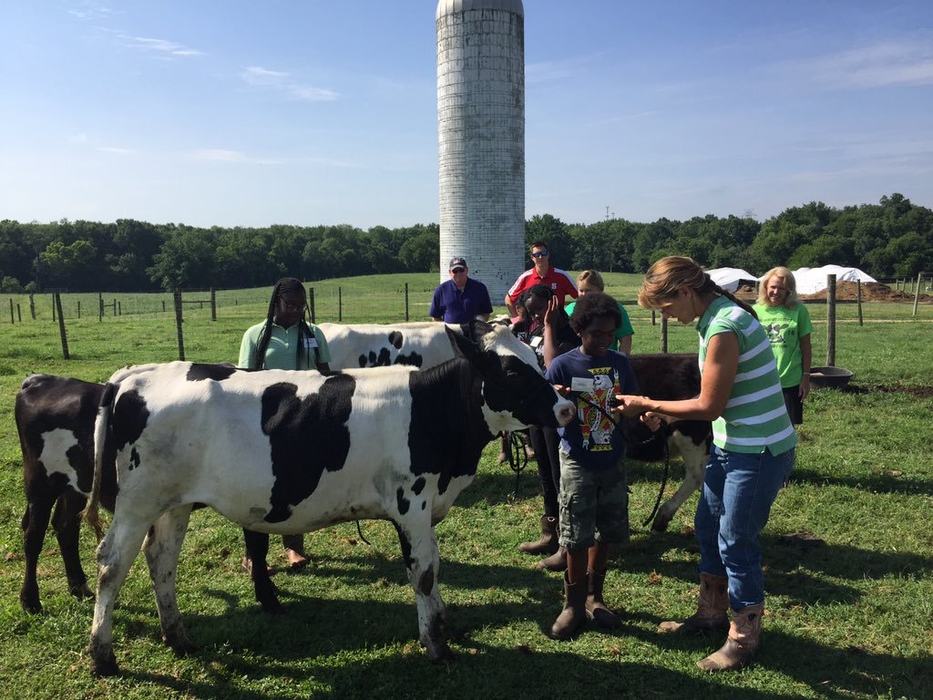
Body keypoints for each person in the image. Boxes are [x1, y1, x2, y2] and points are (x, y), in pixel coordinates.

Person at [617, 256, 796, 672]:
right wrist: (670, 414)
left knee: (736, 539)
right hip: (733, 444)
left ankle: (743, 636)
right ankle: (711, 612)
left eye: (665, 309)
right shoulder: (714, 317)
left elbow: (711, 404)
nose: (667, 318)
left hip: (759, 450)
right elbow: (722, 397)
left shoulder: (724, 326)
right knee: (708, 525)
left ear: (684, 292)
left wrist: (648, 403)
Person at [543, 291, 641, 640]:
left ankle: (594, 597)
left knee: (606, 530)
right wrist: (556, 398)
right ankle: (571, 605)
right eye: (596, 333)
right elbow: (548, 416)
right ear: (580, 329)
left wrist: (633, 411)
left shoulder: (620, 364)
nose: (604, 340)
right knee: (575, 534)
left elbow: (632, 404)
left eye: (610, 334)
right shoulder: (562, 365)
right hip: (578, 460)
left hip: (612, 459)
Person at [238, 278, 332, 571]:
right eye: (289, 305)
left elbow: (326, 373)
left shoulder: (314, 333)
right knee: (256, 487)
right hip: (265, 424)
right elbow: (244, 379)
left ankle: (294, 547)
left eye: (300, 306)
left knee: (296, 485)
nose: (295, 311)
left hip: (303, 422)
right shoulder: (256, 334)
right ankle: (253, 554)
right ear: (275, 302)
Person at [511, 286, 581, 571]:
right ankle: (549, 530)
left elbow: (552, 366)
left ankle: (567, 539)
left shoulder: (567, 334)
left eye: (541, 309)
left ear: (553, 306)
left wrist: (550, 325)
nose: (537, 315)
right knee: (544, 470)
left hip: (559, 410)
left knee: (559, 472)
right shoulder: (529, 330)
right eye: (532, 311)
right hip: (538, 409)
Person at [753, 267, 812, 425]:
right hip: (761, 380)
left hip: (789, 381)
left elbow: (806, 346)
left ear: (789, 291)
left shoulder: (799, 311)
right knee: (762, 425)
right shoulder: (754, 311)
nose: (776, 292)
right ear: (765, 287)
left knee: (787, 428)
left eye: (781, 288)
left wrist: (806, 377)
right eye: (773, 287)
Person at [564, 270, 634, 355]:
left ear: (600, 290)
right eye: (581, 290)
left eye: (588, 290)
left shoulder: (614, 308)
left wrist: (622, 362)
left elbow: (625, 339)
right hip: (576, 361)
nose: (584, 294)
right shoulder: (570, 309)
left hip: (606, 361)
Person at [505, 241, 578, 318]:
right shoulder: (525, 277)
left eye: (543, 253)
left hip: (557, 325)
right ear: (532, 257)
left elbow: (581, 296)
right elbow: (508, 299)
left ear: (548, 254)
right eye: (537, 255)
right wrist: (518, 318)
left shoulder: (562, 275)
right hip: (532, 326)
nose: (540, 257)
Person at [429, 256, 493, 323]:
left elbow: (486, 313)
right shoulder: (441, 290)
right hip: (450, 332)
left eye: (461, 270)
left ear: (467, 270)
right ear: (450, 272)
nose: (458, 273)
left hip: (474, 331)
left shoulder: (480, 288)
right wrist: (445, 329)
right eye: (455, 271)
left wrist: (477, 325)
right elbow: (435, 317)